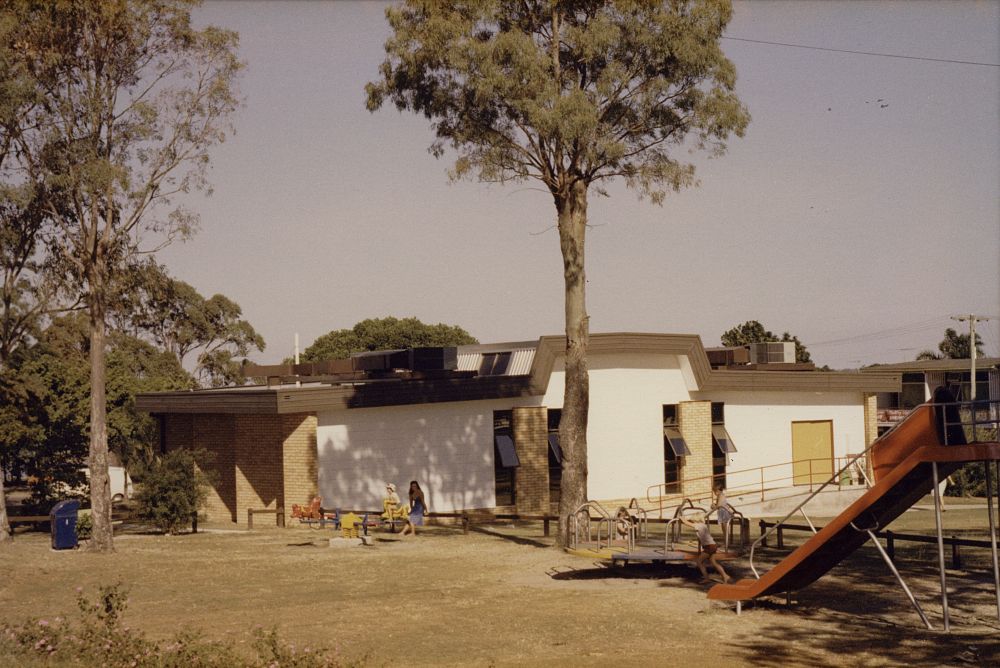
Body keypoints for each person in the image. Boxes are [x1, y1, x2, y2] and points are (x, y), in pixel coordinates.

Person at [680, 512, 731, 584]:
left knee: (699, 562)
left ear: (696, 519)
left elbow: (687, 523)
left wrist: (682, 518)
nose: (692, 521)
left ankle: (707, 578)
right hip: (712, 545)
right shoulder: (703, 525)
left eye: (693, 519)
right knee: (714, 562)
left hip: (709, 547)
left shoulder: (698, 525)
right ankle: (725, 576)